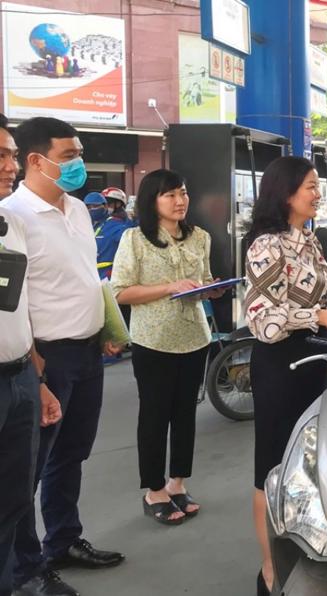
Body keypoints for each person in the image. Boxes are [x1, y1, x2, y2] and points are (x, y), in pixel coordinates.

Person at [5, 117, 123, 596]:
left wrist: (107, 328)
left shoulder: (75, 209)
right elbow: (16, 304)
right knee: (24, 473)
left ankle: (63, 541)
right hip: (44, 357)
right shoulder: (14, 216)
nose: (79, 164)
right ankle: (26, 570)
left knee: (71, 455)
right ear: (36, 160)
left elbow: (83, 276)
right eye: (70, 156)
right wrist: (36, 373)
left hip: (89, 350)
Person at [242, 156, 327, 595]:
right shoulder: (265, 245)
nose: (317, 193)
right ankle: (270, 569)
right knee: (272, 468)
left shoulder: (307, 239)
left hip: (313, 362)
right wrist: (319, 316)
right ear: (285, 192)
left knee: (307, 466)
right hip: (279, 365)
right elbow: (261, 318)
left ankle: (303, 549)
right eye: (309, 186)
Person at [112, 169, 222, 526]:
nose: (180, 201)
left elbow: (201, 283)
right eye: (170, 195)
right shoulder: (135, 239)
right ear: (152, 200)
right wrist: (168, 287)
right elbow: (121, 292)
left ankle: (178, 483)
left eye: (183, 193)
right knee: (155, 415)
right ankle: (154, 490)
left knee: (186, 415)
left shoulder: (199, 237)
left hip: (195, 338)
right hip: (153, 341)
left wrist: (211, 289)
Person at [0, 113, 63, 596]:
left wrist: (36, 381)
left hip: (20, 378)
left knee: (16, 498)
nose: (11, 166)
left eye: (12, 155)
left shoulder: (10, 225)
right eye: (1, 156)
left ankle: (17, 576)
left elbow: (18, 314)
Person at [95, 186, 136, 280]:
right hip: (95, 275)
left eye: (108, 203)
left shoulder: (124, 226)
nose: (105, 206)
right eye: (103, 203)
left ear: (118, 204)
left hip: (110, 277)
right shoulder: (100, 223)